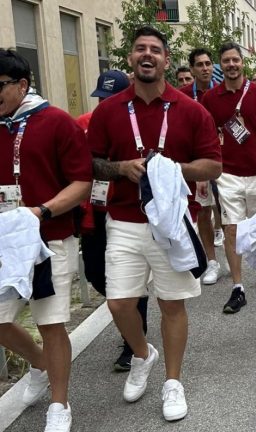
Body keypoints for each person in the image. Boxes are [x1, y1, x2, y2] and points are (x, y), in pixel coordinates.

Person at [88, 26, 222, 421]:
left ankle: (173, 382)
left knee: (172, 304)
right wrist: (121, 168)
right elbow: (91, 162)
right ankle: (143, 355)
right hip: (125, 219)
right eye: (140, 49)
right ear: (130, 59)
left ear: (165, 59)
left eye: (155, 50)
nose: (147, 55)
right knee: (119, 302)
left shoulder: (190, 109)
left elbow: (213, 164)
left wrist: (169, 169)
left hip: (172, 223)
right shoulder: (109, 110)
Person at [0, 48, 92, 432]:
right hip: (5, 242)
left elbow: (82, 182)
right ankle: (39, 365)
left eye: (0, 86)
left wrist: (43, 211)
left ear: (22, 85)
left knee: (51, 322)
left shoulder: (56, 122)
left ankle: (59, 403)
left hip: (49, 238)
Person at [78, 69, 150, 372]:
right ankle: (128, 317)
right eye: (100, 99)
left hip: (122, 213)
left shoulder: (132, 126)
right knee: (95, 274)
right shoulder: (81, 125)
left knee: (129, 282)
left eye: (110, 98)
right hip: (91, 214)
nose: (103, 104)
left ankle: (133, 343)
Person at [201, 42, 256, 313]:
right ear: (221, 65)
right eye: (226, 61)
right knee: (231, 227)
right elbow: (206, 135)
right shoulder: (210, 99)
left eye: (235, 60)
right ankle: (237, 287)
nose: (231, 65)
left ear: (242, 63)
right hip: (228, 173)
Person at [180, 47, 226, 286]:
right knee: (204, 209)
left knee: (225, 207)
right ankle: (212, 261)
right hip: (198, 161)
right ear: (192, 69)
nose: (205, 68)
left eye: (208, 63)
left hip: (224, 159)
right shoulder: (184, 96)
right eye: (200, 65)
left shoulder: (222, 93)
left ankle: (231, 255)